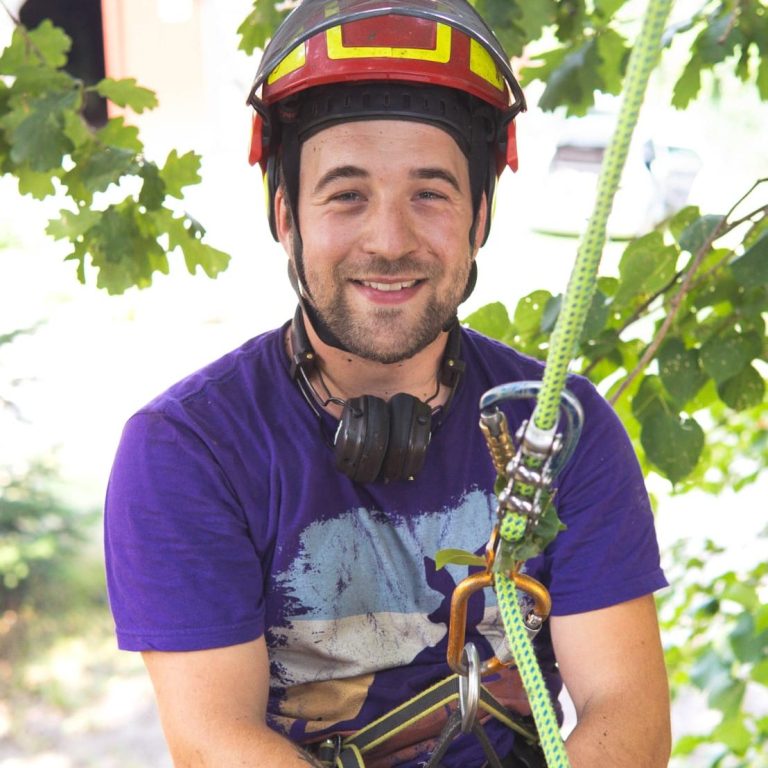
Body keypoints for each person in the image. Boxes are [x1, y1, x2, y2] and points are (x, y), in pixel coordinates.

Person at [104, 1, 671, 766]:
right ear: (286, 216)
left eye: (431, 193)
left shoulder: (560, 429)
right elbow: (215, 741)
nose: (390, 240)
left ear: (479, 219)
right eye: (346, 194)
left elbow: (627, 716)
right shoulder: (189, 450)